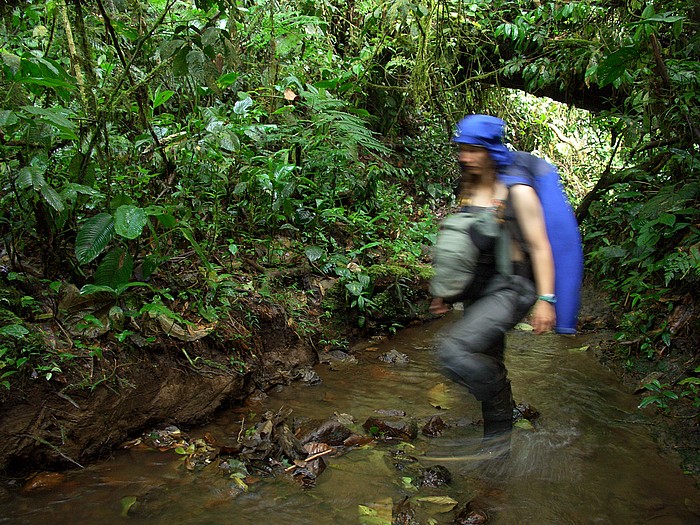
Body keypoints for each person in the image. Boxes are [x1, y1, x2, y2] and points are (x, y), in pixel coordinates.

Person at [429, 114, 556, 449]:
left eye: (473, 150)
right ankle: (497, 445)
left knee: (452, 350)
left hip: (512, 288)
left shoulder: (518, 192)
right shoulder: (468, 185)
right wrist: (448, 291)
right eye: (461, 149)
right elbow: (466, 243)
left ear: (490, 150)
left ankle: (504, 405)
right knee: (487, 360)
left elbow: (541, 246)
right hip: (480, 290)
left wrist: (547, 300)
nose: (465, 156)